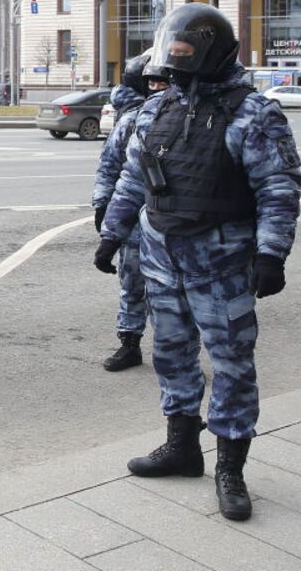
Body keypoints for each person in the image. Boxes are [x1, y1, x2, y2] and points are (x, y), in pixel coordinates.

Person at [96, 3, 301, 522]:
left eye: (186, 52)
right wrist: (112, 234)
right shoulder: (153, 110)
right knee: (171, 354)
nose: (176, 60)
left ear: (211, 51)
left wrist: (271, 254)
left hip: (222, 261)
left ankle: (230, 469)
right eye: (173, 51)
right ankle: (182, 447)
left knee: (231, 365)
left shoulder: (253, 113)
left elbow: (277, 189)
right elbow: (134, 180)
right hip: (162, 256)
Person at [91, 51, 169, 372]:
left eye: (162, 81)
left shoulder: (187, 114)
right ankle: (130, 344)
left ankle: (173, 350)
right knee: (132, 282)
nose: (157, 87)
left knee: (171, 290)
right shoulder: (132, 119)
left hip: (173, 218)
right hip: (135, 219)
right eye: (151, 81)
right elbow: (110, 167)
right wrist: (102, 206)